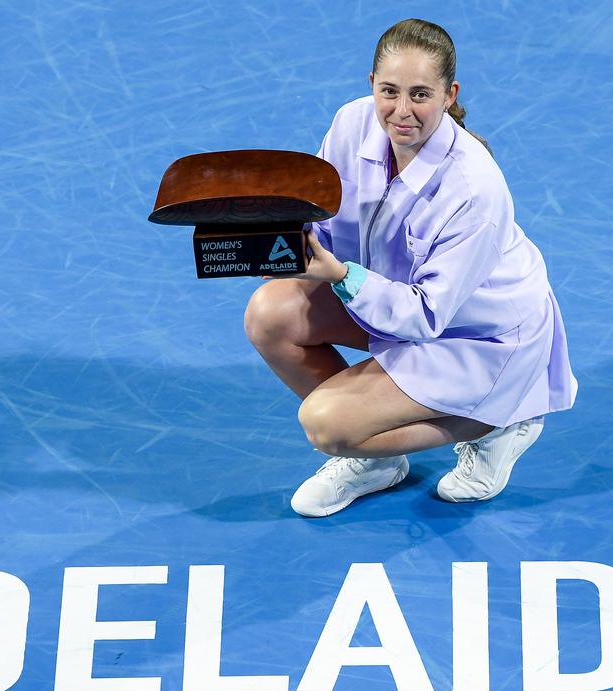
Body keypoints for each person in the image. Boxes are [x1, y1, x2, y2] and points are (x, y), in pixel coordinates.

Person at [243, 18, 577, 517]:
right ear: (371, 85)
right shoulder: (352, 123)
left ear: (449, 94)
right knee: (270, 312)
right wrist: (278, 245)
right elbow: (327, 217)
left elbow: (424, 318)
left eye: (421, 94)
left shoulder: (473, 190)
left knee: (327, 424)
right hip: (389, 297)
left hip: (477, 337)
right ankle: (378, 461)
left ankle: (505, 419)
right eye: (389, 91)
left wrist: (337, 275)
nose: (402, 112)